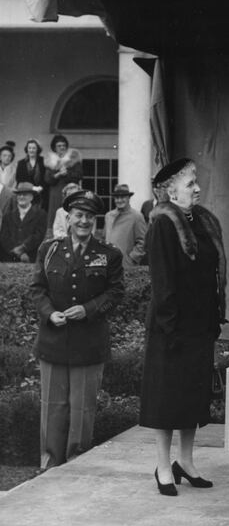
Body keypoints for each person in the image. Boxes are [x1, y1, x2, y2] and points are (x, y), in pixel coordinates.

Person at [138, 159, 227, 496]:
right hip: (170, 326)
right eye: (190, 183)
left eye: (196, 182)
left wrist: (213, 317)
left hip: (199, 325)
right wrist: (170, 326)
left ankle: (185, 463)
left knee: (191, 396)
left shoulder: (202, 221)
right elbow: (163, 281)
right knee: (166, 400)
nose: (197, 188)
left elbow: (211, 273)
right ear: (171, 189)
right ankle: (163, 466)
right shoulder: (163, 223)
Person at [30, 189, 124, 468]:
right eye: (79, 215)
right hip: (53, 341)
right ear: (68, 217)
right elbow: (37, 289)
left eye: (90, 217)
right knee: (52, 408)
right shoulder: (49, 250)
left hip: (89, 344)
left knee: (82, 411)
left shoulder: (108, 255)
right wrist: (49, 313)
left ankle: (75, 466)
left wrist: (88, 309)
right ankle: (49, 466)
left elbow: (116, 292)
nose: (84, 221)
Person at [0, 182, 47, 262]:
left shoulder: (41, 214)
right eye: (19, 195)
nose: (21, 197)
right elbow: (4, 237)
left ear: (31, 197)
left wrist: (23, 247)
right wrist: (18, 252)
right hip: (9, 258)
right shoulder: (8, 216)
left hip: (31, 257)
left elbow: (39, 235)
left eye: (25, 194)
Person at [44, 134, 82, 231]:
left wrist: (67, 173)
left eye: (64, 145)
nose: (62, 148)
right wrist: (58, 175)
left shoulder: (73, 160)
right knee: (56, 214)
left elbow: (79, 175)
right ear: (54, 148)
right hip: (55, 193)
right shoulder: (50, 162)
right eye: (59, 146)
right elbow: (47, 179)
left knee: (71, 212)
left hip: (71, 191)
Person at [104, 184, 147, 267]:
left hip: (126, 265)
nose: (119, 200)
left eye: (122, 197)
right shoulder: (108, 216)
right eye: (117, 198)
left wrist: (131, 258)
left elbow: (143, 242)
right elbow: (104, 238)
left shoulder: (136, 216)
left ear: (128, 198)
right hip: (108, 264)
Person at [16, 139, 47, 210]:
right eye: (29, 148)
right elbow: (19, 179)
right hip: (26, 193)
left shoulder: (43, 161)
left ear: (38, 149)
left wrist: (41, 188)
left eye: (34, 148)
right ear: (26, 149)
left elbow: (46, 177)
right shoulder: (21, 163)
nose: (31, 150)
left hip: (41, 193)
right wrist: (32, 188)